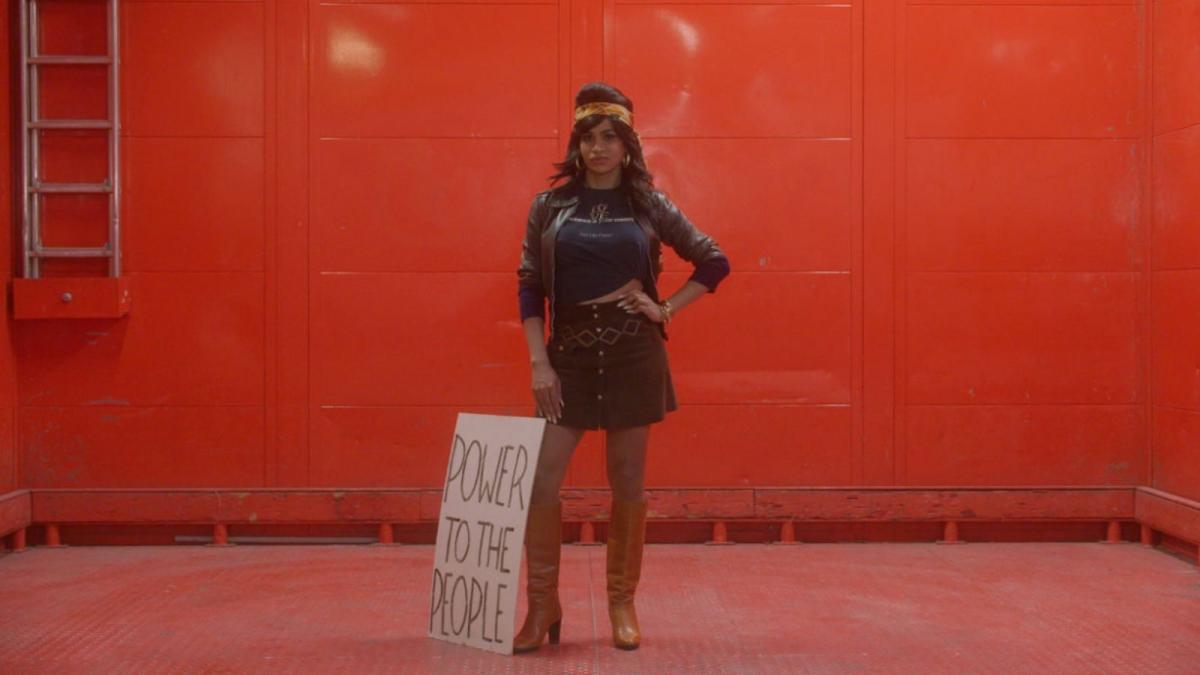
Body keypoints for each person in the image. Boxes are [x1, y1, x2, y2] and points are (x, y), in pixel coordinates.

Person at [513, 81, 730, 652]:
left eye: (610, 137)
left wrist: (664, 309)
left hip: (635, 352)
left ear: (628, 143)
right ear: (577, 144)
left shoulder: (648, 204)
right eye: (588, 137)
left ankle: (620, 602)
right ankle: (542, 606)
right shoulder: (550, 206)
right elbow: (530, 286)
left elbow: (714, 260)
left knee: (627, 480)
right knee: (540, 479)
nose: (598, 148)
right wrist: (540, 364)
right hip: (569, 357)